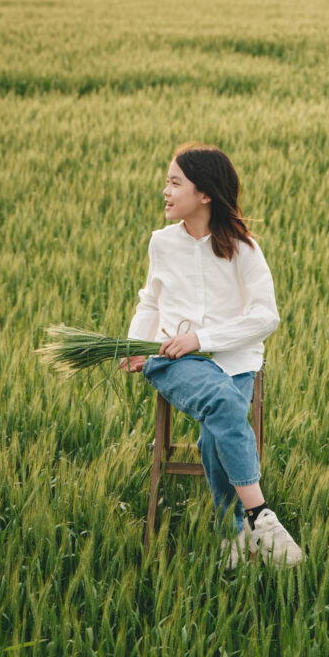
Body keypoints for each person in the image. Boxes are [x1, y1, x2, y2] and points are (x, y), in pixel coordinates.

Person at [120, 143, 303, 569]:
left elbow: (266, 317)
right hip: (171, 359)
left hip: (235, 359)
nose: (164, 191)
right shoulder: (161, 244)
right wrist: (134, 344)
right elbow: (150, 301)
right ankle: (261, 517)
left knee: (213, 434)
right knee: (223, 405)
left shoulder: (243, 248)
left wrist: (202, 338)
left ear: (204, 193)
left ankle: (234, 532)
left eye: (174, 182)